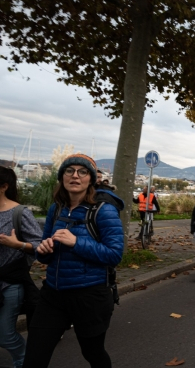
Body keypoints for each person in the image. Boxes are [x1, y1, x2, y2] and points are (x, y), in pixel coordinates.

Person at [23, 154, 124, 368]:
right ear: (62, 177)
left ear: (91, 179)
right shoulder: (56, 208)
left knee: (93, 353)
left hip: (89, 296)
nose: (75, 176)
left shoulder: (103, 210)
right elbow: (45, 252)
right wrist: (43, 250)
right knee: (34, 358)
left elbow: (114, 255)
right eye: (69, 171)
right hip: (53, 294)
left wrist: (76, 242)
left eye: (82, 171)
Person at [0, 167, 43, 368]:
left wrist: (16, 244)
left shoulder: (20, 212)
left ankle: (25, 361)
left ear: (4, 186)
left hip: (10, 282)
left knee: (5, 335)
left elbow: (40, 246)